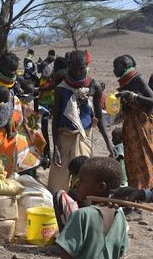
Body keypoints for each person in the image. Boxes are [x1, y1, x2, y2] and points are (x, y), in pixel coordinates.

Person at [48, 51, 115, 193]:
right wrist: (56, 147)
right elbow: (56, 120)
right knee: (57, 182)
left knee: (84, 176)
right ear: (68, 67)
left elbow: (99, 117)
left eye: (82, 68)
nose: (78, 72)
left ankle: (80, 202)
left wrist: (108, 143)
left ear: (87, 66)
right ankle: (60, 203)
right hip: (64, 136)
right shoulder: (61, 89)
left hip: (84, 135)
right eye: (74, 69)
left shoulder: (94, 86)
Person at [0, 53, 44, 176]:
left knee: (11, 170)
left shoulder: (14, 81)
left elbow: (28, 89)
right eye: (10, 70)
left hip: (12, 133)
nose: (12, 73)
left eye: (14, 70)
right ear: (1, 66)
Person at [114, 55, 153, 192]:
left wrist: (133, 96)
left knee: (145, 158)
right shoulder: (125, 83)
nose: (114, 70)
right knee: (133, 160)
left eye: (116, 66)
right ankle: (135, 191)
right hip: (131, 129)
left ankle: (145, 191)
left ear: (125, 66)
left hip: (142, 127)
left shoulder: (137, 79)